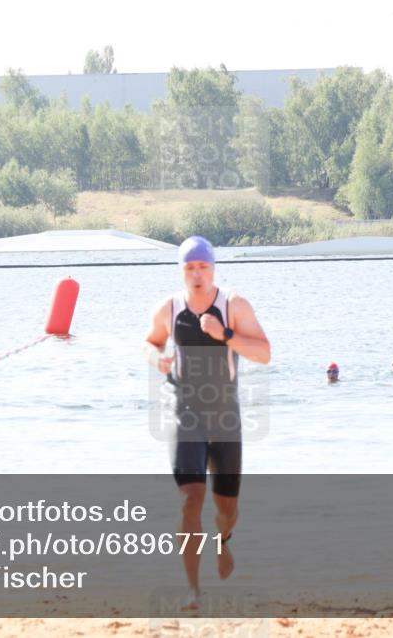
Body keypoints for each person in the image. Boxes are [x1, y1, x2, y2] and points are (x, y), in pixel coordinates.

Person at [143, 236, 271, 609]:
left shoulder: (233, 305)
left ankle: (224, 540)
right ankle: (193, 589)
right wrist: (158, 360)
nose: (196, 275)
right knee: (190, 498)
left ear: (213, 268)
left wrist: (226, 335)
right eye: (189, 268)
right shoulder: (169, 308)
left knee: (226, 509)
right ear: (181, 271)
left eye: (203, 267)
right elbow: (149, 343)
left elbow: (264, 353)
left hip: (225, 418)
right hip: (185, 415)